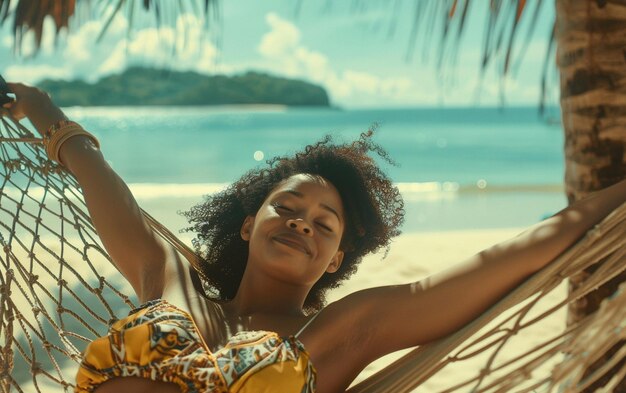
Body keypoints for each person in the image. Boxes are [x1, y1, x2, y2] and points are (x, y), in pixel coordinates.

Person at [3, 82, 626, 393]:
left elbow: (517, 255)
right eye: (288, 206)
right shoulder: (168, 279)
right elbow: (100, 180)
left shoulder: (338, 333)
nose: (303, 221)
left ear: (335, 261)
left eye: (325, 225)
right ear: (249, 224)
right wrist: (43, 111)